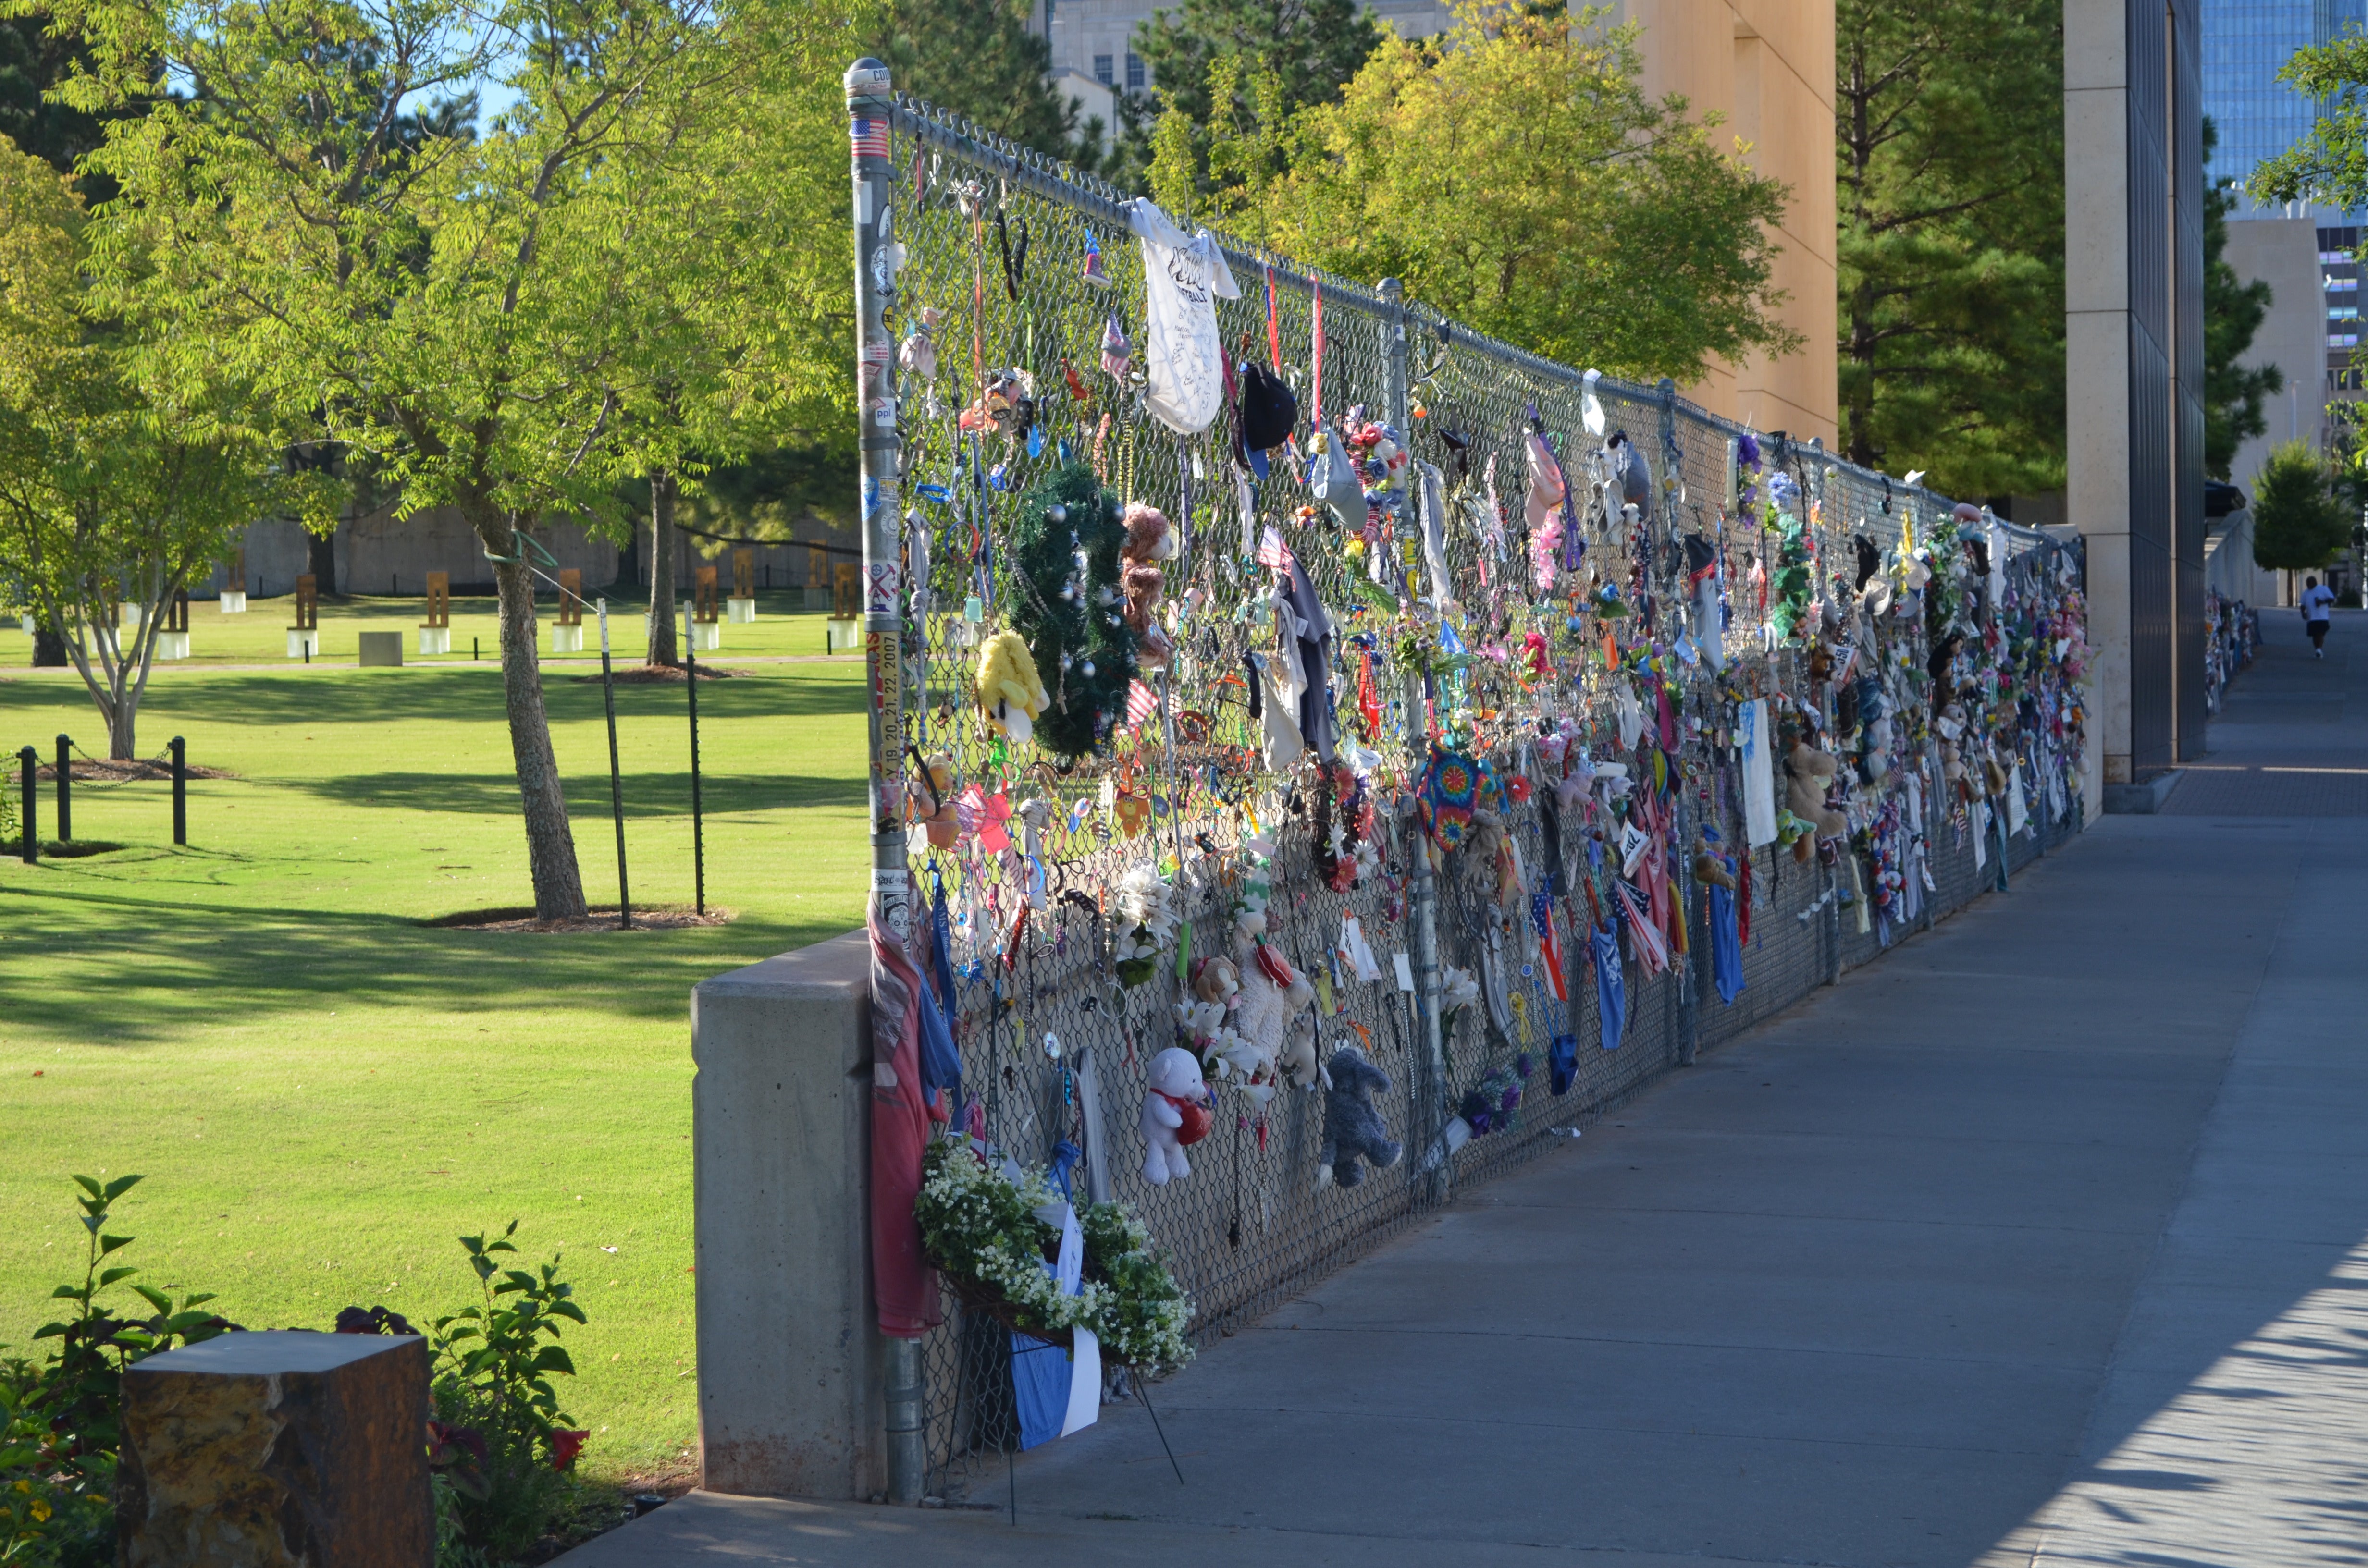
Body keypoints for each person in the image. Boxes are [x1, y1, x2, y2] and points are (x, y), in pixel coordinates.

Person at [2300, 575, 2336, 659]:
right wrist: (2303, 614)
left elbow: (2332, 599)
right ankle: (2317, 650)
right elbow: (2303, 605)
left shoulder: (2323, 589)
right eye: (2307, 583)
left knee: (2320, 634)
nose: (2308, 585)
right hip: (2311, 618)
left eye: (2309, 583)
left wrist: (2322, 602)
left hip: (2322, 617)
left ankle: (2319, 650)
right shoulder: (2306, 593)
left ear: (2315, 582)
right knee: (2314, 635)